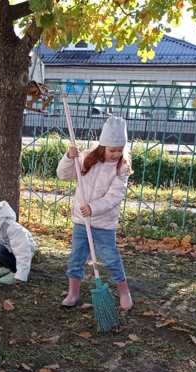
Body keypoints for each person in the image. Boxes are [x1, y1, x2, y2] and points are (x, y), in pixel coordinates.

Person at [56, 115, 133, 311]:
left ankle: (124, 291)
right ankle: (73, 292)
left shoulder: (121, 168)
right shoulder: (85, 160)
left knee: (111, 258)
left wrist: (93, 208)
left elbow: (115, 196)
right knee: (76, 258)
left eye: (119, 150)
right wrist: (68, 158)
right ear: (102, 146)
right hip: (82, 222)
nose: (116, 154)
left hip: (104, 224)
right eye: (112, 150)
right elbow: (63, 175)